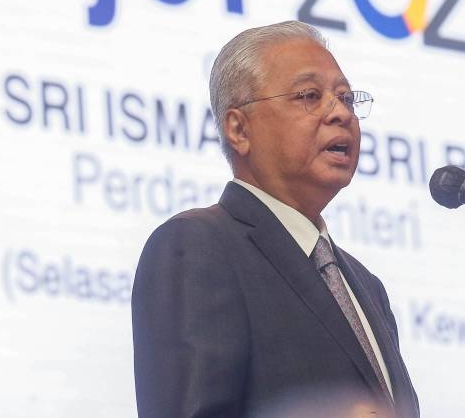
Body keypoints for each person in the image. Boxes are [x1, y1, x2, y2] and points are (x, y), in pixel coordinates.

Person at [132, 21, 419, 417]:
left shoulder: (367, 287)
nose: (340, 113)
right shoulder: (199, 247)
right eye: (310, 96)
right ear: (239, 129)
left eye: (346, 98)